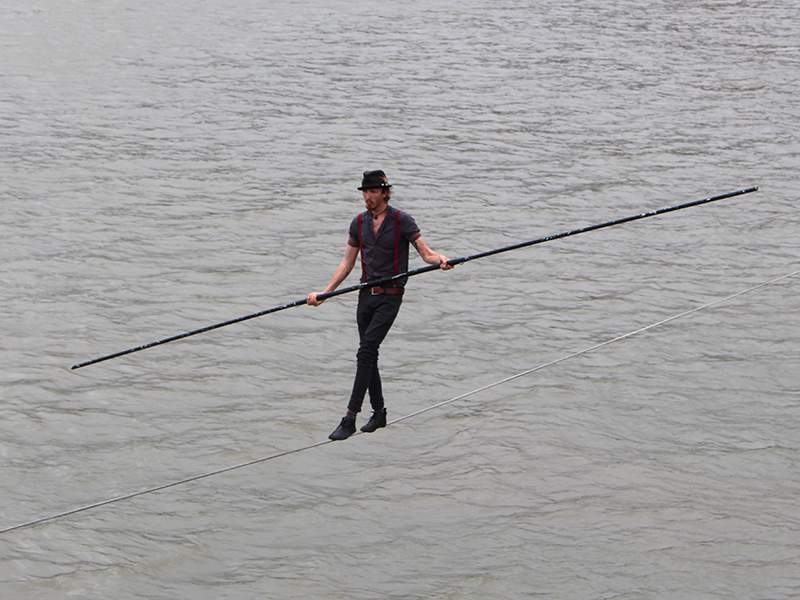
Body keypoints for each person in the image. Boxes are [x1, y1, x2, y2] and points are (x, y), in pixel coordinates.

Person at [307, 170, 453, 440]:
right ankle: (380, 413)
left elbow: (425, 252)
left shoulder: (402, 220)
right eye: (365, 191)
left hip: (390, 295)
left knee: (366, 351)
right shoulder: (359, 223)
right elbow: (347, 263)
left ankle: (350, 418)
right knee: (367, 355)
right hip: (365, 296)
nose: (368, 196)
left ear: (385, 192)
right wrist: (325, 293)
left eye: (373, 191)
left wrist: (441, 259)